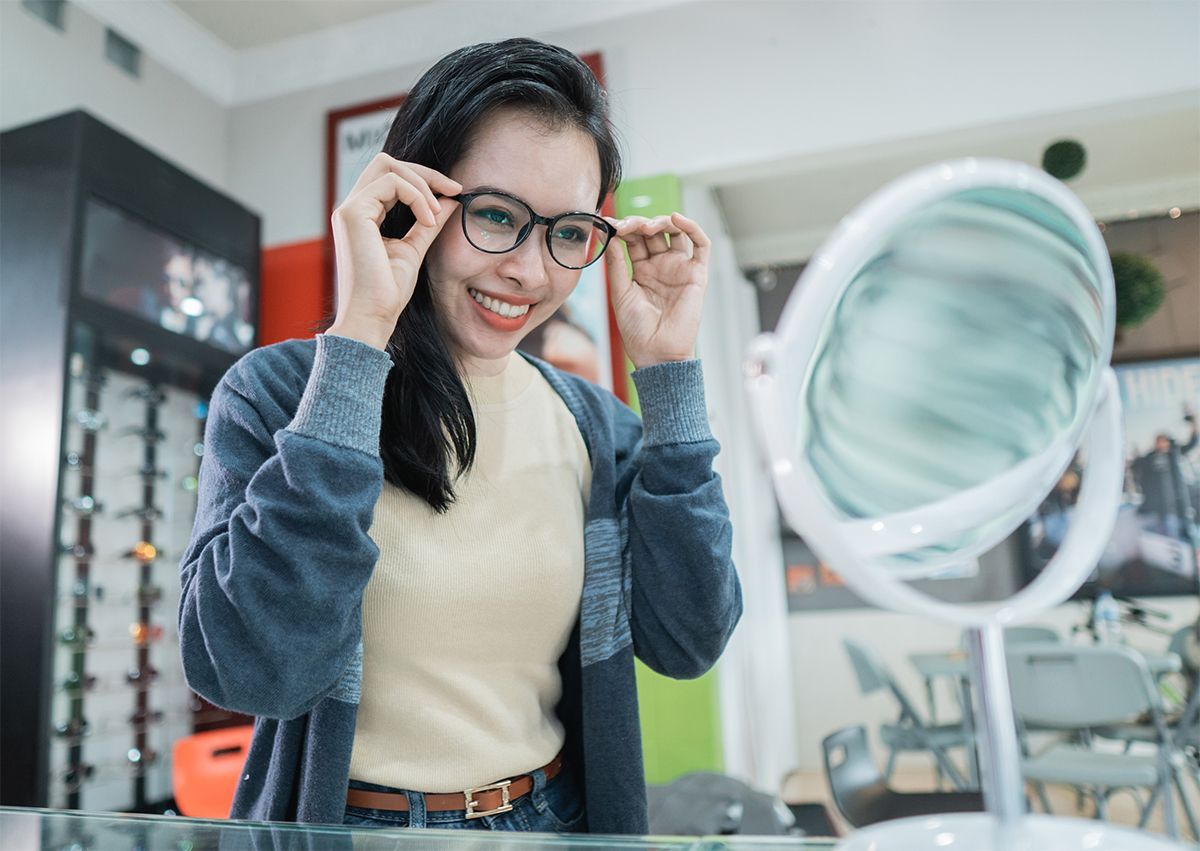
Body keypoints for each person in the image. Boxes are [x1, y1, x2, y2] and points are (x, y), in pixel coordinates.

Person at [177, 38, 742, 836]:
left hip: (546, 819)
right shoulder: (278, 394)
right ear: (414, 203)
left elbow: (689, 639)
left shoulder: (594, 425)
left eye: (567, 232)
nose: (530, 271)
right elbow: (248, 668)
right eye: (498, 216)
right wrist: (360, 333)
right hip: (348, 826)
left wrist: (670, 377)